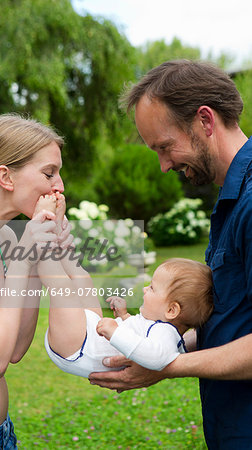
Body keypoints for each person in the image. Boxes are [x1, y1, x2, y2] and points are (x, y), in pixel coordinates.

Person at [88, 59, 252, 449]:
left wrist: (166, 366)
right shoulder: (231, 199)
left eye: (165, 146)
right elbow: (231, 321)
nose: (163, 165)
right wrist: (151, 341)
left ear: (205, 121)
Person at [0, 113, 72, 448]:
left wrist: (33, 255)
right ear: (5, 176)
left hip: (0, 433)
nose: (59, 186)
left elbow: (16, 349)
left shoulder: (4, 236)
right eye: (49, 173)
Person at [35, 193, 213, 378]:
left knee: (61, 286)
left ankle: (42, 231)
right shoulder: (158, 325)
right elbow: (141, 336)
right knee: (83, 278)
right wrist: (124, 316)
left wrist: (115, 332)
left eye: (152, 288)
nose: (145, 289)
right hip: (89, 334)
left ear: (171, 310)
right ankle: (60, 237)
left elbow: (156, 358)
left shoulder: (166, 334)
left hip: (79, 348)